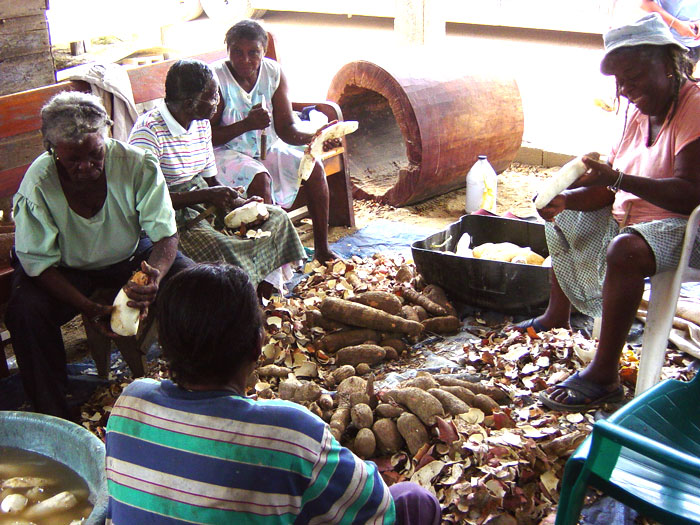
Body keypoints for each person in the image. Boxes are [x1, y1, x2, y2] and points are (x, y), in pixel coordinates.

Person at [105, 262, 442, 524]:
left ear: (164, 346)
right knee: (413, 501)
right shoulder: (289, 431)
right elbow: (375, 504)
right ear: (257, 345)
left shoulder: (129, 403)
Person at [515, 13, 700, 411]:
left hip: (687, 227)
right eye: (620, 81)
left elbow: (688, 194)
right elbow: (607, 188)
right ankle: (556, 315)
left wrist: (617, 180)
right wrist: (566, 199)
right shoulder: (634, 112)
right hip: (635, 216)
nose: (626, 89)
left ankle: (604, 375)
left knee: (625, 251)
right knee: (565, 215)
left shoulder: (694, 106)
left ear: (668, 64)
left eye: (633, 76)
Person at [6, 91, 192, 420]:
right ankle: (55, 414)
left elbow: (165, 235)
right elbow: (39, 265)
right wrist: (89, 307)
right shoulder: (38, 184)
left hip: (131, 258)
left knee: (194, 284)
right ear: (51, 149)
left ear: (106, 134)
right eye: (72, 159)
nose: (85, 167)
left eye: (94, 154)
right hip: (64, 270)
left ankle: (195, 384)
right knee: (25, 311)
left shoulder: (137, 164)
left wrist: (153, 277)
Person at [129, 59, 306, 297]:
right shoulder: (148, 133)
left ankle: (265, 296)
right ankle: (241, 302)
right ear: (190, 103)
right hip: (170, 217)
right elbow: (146, 200)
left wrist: (237, 202)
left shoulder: (199, 123)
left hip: (203, 201)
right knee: (224, 248)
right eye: (213, 97)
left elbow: (210, 180)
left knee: (276, 219)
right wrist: (207, 195)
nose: (217, 103)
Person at [209, 19, 337, 263]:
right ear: (228, 51)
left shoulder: (272, 73)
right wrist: (246, 124)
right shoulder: (216, 78)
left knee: (312, 167)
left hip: (267, 146)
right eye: (237, 51)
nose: (244, 59)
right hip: (224, 151)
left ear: (263, 51)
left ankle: (322, 248)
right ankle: (271, 259)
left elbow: (287, 128)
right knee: (260, 179)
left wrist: (317, 137)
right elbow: (206, 137)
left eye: (252, 52)